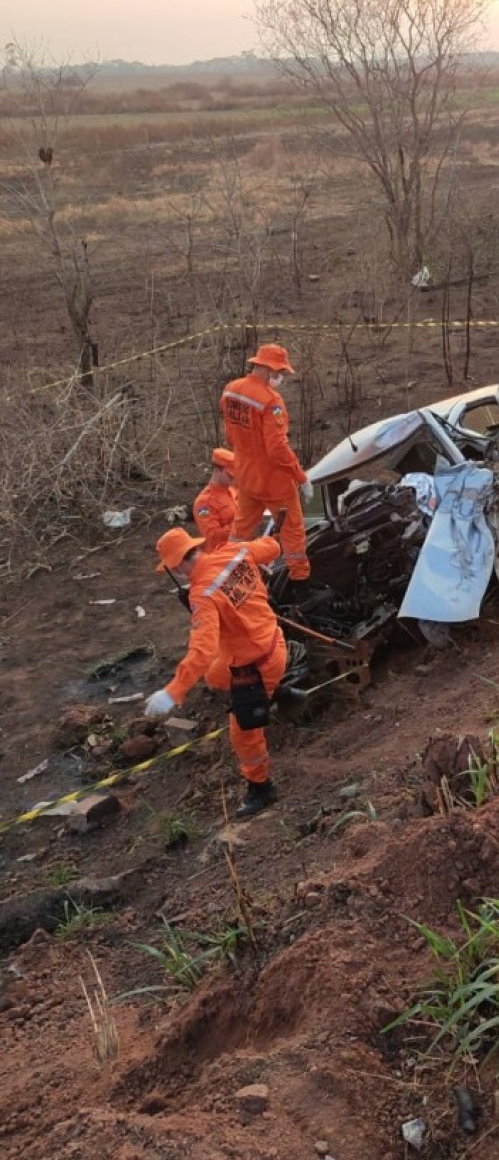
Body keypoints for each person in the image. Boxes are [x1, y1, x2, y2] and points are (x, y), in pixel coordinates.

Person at [144, 527, 287, 819]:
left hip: (259, 665)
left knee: (243, 735)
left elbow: (203, 648)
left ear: (181, 564)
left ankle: (261, 787)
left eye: (174, 569)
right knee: (214, 675)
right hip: (274, 639)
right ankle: (274, 691)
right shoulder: (235, 551)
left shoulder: (203, 595)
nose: (178, 575)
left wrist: (174, 691)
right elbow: (272, 546)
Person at [220, 342, 313, 585]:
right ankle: (299, 579)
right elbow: (277, 448)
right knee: (292, 531)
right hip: (274, 481)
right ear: (270, 370)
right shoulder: (271, 401)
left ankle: (227, 573)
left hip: (245, 476)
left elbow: (230, 436)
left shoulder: (231, 390)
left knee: (240, 531)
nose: (281, 377)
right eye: (280, 373)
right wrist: (300, 476)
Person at [192, 447, 237, 553]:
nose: (234, 479)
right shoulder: (204, 504)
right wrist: (241, 524)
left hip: (239, 548)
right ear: (217, 471)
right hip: (221, 557)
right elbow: (213, 537)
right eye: (230, 476)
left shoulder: (232, 489)